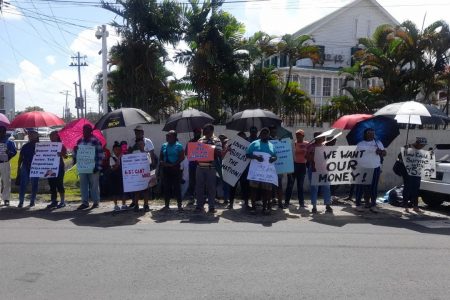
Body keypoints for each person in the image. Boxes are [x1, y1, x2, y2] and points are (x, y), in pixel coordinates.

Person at [354, 128, 386, 213]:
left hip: (375, 167)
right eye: (369, 133)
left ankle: (373, 205)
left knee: (373, 187)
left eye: (373, 133)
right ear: (365, 134)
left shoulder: (378, 143)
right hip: (363, 168)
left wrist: (381, 152)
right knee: (360, 187)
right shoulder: (360, 144)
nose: (371, 134)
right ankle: (358, 204)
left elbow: (384, 153)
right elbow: (356, 156)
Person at [246, 127, 277, 214]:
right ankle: (253, 207)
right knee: (253, 190)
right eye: (263, 133)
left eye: (266, 134)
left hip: (266, 173)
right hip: (255, 172)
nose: (265, 135)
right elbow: (247, 155)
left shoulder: (272, 146)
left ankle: (264, 208)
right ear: (260, 135)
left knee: (266, 191)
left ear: (269, 135)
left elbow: (275, 156)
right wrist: (256, 157)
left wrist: (273, 159)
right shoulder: (254, 144)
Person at [73, 124, 105, 210]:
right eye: (84, 130)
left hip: (93, 167)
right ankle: (85, 203)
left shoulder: (95, 141)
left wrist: (97, 167)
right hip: (82, 167)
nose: (85, 132)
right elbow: (76, 156)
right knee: (83, 185)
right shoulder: (79, 141)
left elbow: (101, 155)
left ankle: (96, 202)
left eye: (87, 130)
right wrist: (75, 150)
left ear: (91, 131)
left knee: (94, 185)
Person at [195, 124, 222, 213]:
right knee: (199, 188)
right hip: (200, 167)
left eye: (206, 130)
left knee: (211, 188)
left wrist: (210, 148)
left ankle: (211, 207)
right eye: (204, 130)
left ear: (211, 131)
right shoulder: (200, 140)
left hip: (211, 167)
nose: (204, 131)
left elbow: (219, 153)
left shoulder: (217, 140)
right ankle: (199, 206)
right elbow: (196, 151)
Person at [306, 132, 333, 214]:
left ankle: (327, 204)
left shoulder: (324, 146)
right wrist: (312, 154)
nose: (323, 138)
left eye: (323, 136)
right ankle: (314, 206)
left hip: (324, 170)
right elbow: (307, 158)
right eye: (322, 137)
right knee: (314, 188)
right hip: (314, 169)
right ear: (317, 138)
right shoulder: (311, 147)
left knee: (327, 187)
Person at [400, 137, 427, 213]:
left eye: (424, 145)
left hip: (417, 172)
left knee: (416, 189)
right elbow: (400, 158)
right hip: (407, 172)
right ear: (417, 143)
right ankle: (405, 205)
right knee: (407, 188)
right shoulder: (407, 147)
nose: (423, 147)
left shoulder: (421, 150)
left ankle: (415, 206)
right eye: (421, 145)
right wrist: (405, 151)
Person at [160, 130, 184, 211]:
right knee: (167, 187)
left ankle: (179, 205)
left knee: (177, 187)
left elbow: (182, 157)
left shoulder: (179, 146)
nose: (167, 137)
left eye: (169, 136)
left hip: (175, 169)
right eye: (167, 135)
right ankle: (166, 205)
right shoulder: (164, 145)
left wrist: (173, 164)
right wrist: (162, 163)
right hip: (166, 169)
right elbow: (161, 156)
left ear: (174, 137)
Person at [284, 129, 308, 209]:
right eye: (297, 134)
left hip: (302, 166)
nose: (298, 136)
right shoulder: (292, 144)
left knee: (300, 186)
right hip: (293, 165)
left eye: (300, 134)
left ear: (303, 136)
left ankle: (301, 203)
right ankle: (286, 202)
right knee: (290, 185)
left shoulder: (307, 144)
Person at [17, 130, 39, 208]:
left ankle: (32, 201)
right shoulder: (25, 146)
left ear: (36, 136)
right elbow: (20, 158)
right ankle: (21, 201)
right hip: (25, 166)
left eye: (32, 135)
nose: (30, 137)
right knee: (23, 184)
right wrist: (18, 169)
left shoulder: (40, 146)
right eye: (29, 135)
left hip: (36, 167)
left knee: (34, 184)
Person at [46, 130, 67, 209]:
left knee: (59, 184)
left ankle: (62, 201)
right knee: (52, 184)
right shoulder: (47, 145)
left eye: (53, 135)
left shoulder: (61, 145)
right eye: (50, 136)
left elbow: (66, 156)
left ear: (57, 136)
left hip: (59, 167)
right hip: (50, 167)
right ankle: (54, 201)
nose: (51, 137)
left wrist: (61, 154)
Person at [130, 139, 151, 212]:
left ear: (144, 145)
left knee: (146, 190)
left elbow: (149, 163)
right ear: (137, 145)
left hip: (145, 174)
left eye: (142, 144)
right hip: (136, 175)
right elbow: (131, 163)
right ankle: (136, 205)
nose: (140, 145)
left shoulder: (147, 153)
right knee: (137, 191)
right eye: (139, 144)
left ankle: (146, 205)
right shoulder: (134, 153)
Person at [0, 125, 17, 206]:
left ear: (4, 132)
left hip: (5, 162)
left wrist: (8, 153)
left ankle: (6, 198)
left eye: (1, 131)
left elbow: (14, 152)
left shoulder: (9, 142)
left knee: (6, 181)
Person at [185, 127, 202, 204]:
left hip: (201, 165)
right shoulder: (190, 142)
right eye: (196, 132)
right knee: (192, 181)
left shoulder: (203, 142)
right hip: (192, 165)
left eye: (199, 132)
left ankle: (201, 197)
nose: (197, 134)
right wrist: (191, 148)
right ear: (194, 133)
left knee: (201, 181)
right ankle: (191, 197)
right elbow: (186, 153)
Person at [110, 141, 126, 211]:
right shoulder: (111, 158)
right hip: (114, 176)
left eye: (119, 149)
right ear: (113, 150)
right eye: (116, 149)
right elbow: (114, 167)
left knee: (123, 191)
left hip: (122, 176)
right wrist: (119, 158)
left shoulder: (124, 157)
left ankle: (124, 204)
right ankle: (116, 205)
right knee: (115, 192)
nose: (118, 151)